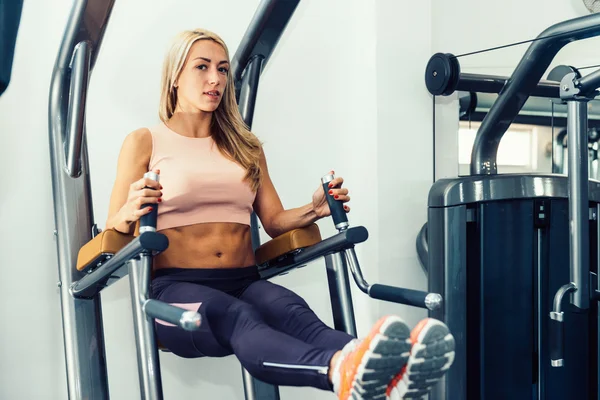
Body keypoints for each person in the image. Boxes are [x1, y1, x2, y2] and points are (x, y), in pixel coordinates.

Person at [105, 28, 455, 400]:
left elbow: (273, 222)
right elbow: (115, 226)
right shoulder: (145, 140)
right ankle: (339, 370)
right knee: (239, 316)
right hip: (174, 290)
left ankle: (388, 372)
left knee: (291, 311)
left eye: (223, 70)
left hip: (243, 279)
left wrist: (314, 209)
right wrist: (129, 209)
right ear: (175, 76)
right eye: (202, 67)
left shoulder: (245, 146)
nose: (215, 79)